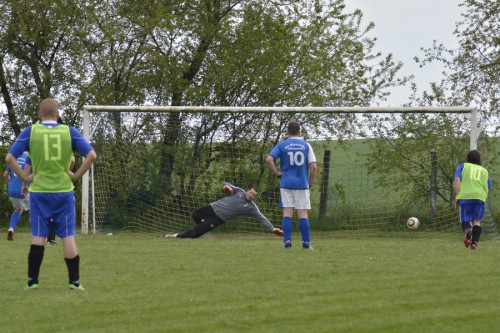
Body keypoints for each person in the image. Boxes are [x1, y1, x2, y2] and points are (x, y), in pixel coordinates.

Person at [5, 98, 97, 290]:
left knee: (38, 235)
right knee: (68, 236)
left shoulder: (31, 131)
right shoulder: (69, 131)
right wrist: (75, 175)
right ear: (58, 114)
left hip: (39, 192)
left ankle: (32, 282)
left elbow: (10, 158)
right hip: (63, 191)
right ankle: (74, 282)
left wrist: (25, 177)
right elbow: (91, 156)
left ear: (40, 114)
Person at [164, 183, 283, 238]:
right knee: (195, 214)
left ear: (255, 197)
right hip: (212, 207)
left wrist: (272, 229)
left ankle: (175, 236)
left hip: (218, 219)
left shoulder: (252, 207)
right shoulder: (240, 191)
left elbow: (262, 218)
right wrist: (227, 188)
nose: (251, 195)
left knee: (195, 234)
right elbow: (226, 184)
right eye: (251, 192)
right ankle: (204, 224)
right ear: (248, 190)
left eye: (254, 195)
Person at [266, 121, 317, 249]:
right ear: (299, 131)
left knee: (287, 212)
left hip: (286, 183)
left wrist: (277, 173)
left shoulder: (282, 145)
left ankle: (287, 242)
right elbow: (314, 167)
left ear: (287, 132)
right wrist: (310, 182)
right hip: (301, 184)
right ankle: (306, 243)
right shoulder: (306, 145)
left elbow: (269, 159)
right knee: (302, 213)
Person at [454, 150, 492, 250]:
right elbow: (489, 187)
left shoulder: (462, 166)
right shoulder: (484, 170)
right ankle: (474, 243)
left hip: (466, 196)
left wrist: (457, 196)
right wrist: (483, 197)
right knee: (477, 221)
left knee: (466, 221)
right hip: (480, 197)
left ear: (468, 158)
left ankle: (468, 230)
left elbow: (457, 179)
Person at [3, 152, 30, 241]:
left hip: (12, 191)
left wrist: (10, 183)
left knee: (18, 209)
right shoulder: (31, 158)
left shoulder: (15, 158)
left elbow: (5, 175)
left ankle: (11, 228)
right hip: (23, 189)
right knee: (35, 210)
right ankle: (41, 234)